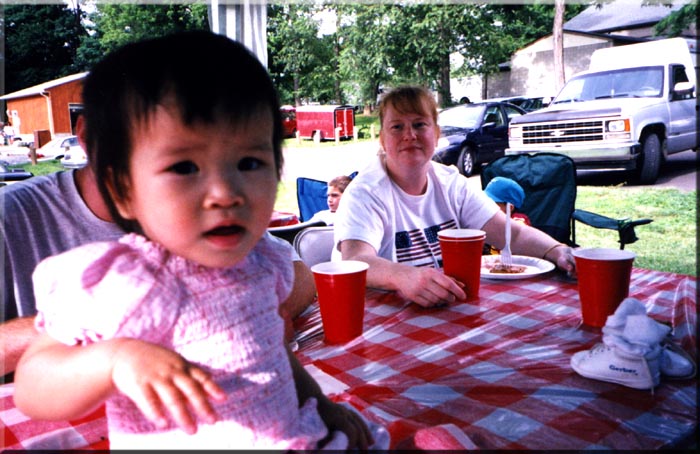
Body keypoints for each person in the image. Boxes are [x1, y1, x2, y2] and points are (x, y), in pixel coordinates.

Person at [14, 32, 376, 450]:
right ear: (123, 189)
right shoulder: (128, 282)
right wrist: (114, 360)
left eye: (249, 162)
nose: (225, 192)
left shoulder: (258, 261)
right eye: (185, 166)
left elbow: (273, 356)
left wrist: (321, 406)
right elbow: (32, 385)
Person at [1, 143, 315, 382]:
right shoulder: (11, 217)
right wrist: (115, 333)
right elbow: (34, 392)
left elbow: (297, 273)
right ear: (89, 137)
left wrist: (252, 312)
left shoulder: (208, 211)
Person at [334, 85, 576, 308]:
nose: (409, 135)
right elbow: (355, 259)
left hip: (446, 308)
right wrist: (402, 276)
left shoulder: (451, 183)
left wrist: (556, 250)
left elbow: (511, 232)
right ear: (383, 140)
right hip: (381, 317)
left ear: (436, 133)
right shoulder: (365, 193)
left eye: (419, 124)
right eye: (397, 127)